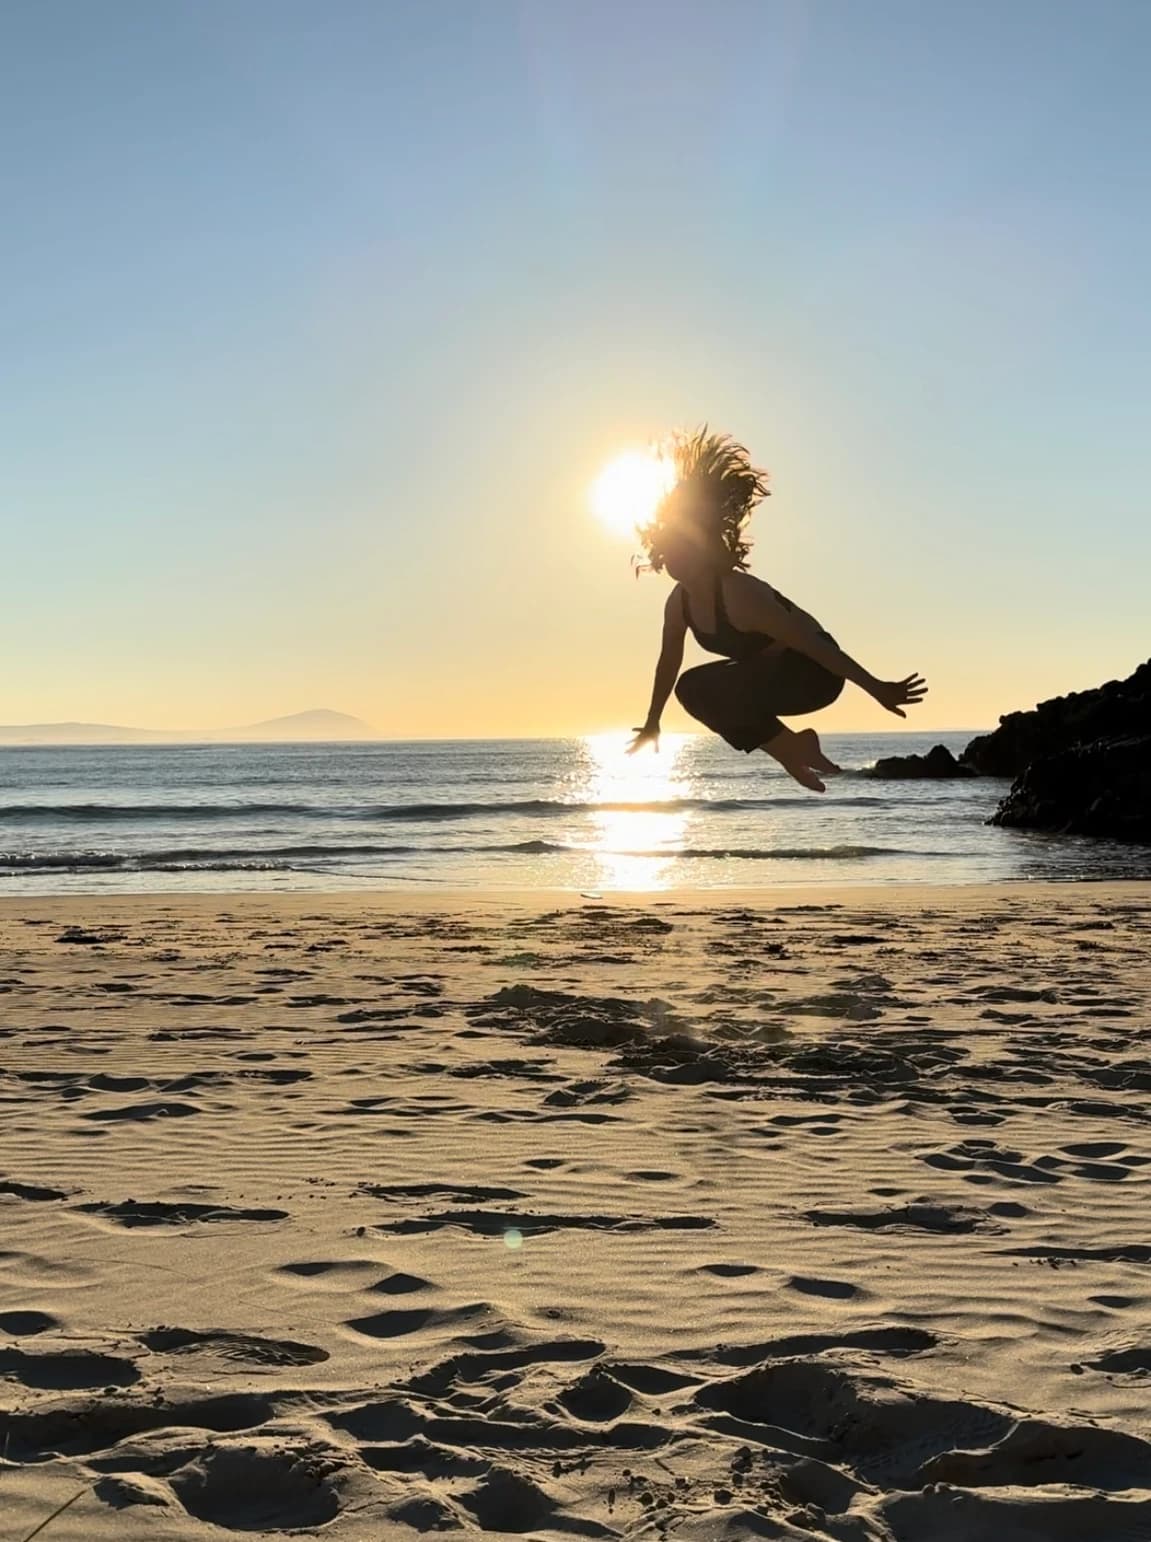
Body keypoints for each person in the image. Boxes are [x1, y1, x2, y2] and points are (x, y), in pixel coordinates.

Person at [627, 429, 927, 792]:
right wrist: (652, 722)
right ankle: (795, 748)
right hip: (767, 675)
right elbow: (668, 662)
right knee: (692, 688)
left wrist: (875, 687)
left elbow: (812, 645)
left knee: (705, 689)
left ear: (703, 549)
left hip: (814, 674)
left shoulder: (739, 595)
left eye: (683, 548)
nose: (672, 557)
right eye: (668, 547)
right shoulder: (679, 603)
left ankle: (794, 749)